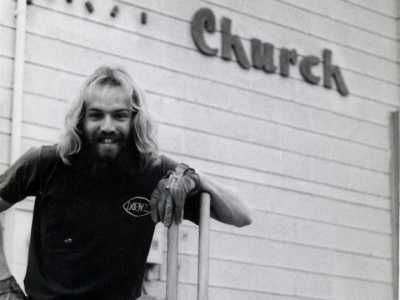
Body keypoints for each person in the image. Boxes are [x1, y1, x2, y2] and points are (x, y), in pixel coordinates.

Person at [0, 66, 253, 299]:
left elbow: (242, 215)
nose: (107, 126)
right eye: (96, 115)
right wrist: (3, 284)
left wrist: (196, 176)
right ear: (81, 120)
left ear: (135, 120)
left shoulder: (156, 172)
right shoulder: (47, 162)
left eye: (119, 116)